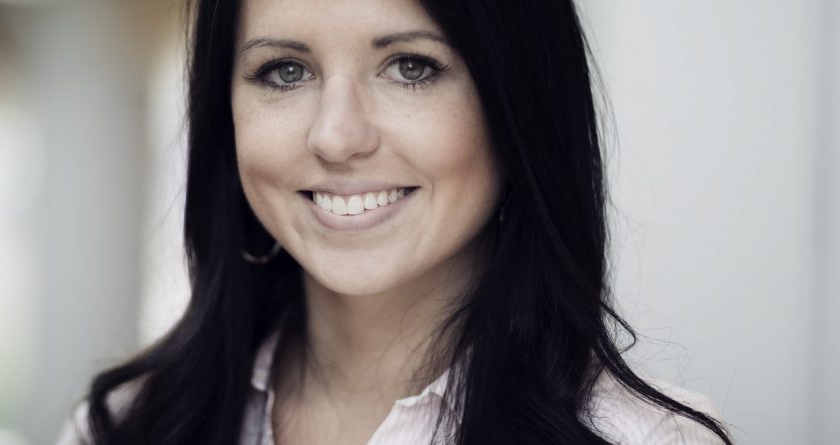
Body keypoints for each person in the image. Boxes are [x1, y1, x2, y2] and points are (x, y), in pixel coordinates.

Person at [60, 0, 733, 443]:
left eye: (411, 66)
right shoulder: (122, 427)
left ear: (519, 101)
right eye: (284, 70)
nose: (336, 135)